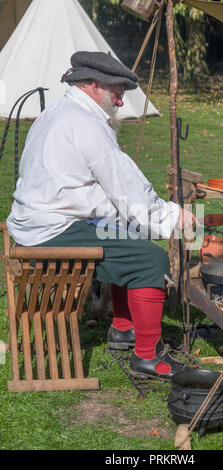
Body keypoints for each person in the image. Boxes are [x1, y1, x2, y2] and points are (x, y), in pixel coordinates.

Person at [6, 51, 197, 380]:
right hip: (52, 233)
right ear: (94, 85)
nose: (121, 103)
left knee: (123, 231)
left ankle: (123, 330)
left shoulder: (58, 112)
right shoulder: (86, 124)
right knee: (150, 259)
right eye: (117, 93)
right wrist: (172, 218)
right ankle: (148, 358)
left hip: (35, 224)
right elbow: (126, 188)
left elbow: (88, 189)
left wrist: (130, 221)